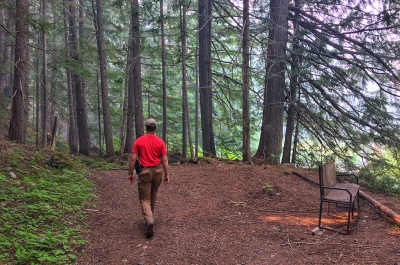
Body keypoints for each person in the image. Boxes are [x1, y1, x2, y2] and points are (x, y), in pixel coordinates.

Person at [128, 118, 170, 238]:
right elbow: (164, 160)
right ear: (155, 128)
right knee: (153, 194)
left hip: (145, 172)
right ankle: (149, 218)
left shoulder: (139, 141)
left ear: (146, 128)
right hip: (158, 171)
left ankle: (149, 220)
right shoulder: (160, 142)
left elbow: (133, 159)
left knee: (144, 199)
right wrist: (167, 174)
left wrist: (130, 173)